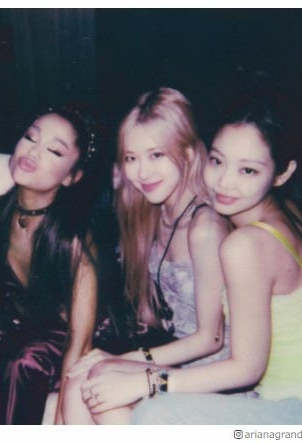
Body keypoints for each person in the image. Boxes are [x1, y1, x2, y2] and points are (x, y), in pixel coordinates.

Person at [130, 98, 302, 424]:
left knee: (153, 415)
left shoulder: (246, 243)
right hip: (291, 400)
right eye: (217, 161)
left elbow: (246, 368)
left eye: (247, 170)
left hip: (296, 408)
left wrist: (150, 380)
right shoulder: (288, 214)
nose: (224, 181)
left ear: (283, 173)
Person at [61, 87, 231, 424]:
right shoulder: (155, 214)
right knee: (82, 378)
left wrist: (128, 359)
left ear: (187, 152)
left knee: (92, 385)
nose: (141, 172)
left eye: (156, 155)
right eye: (131, 158)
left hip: (214, 375)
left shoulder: (205, 227)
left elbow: (211, 339)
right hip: (178, 362)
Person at [0, 104, 117, 425]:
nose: (33, 151)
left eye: (54, 150)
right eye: (30, 137)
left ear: (72, 177)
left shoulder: (75, 237)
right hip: (20, 328)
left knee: (23, 363)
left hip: (73, 338)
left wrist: (64, 413)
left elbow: (80, 339)